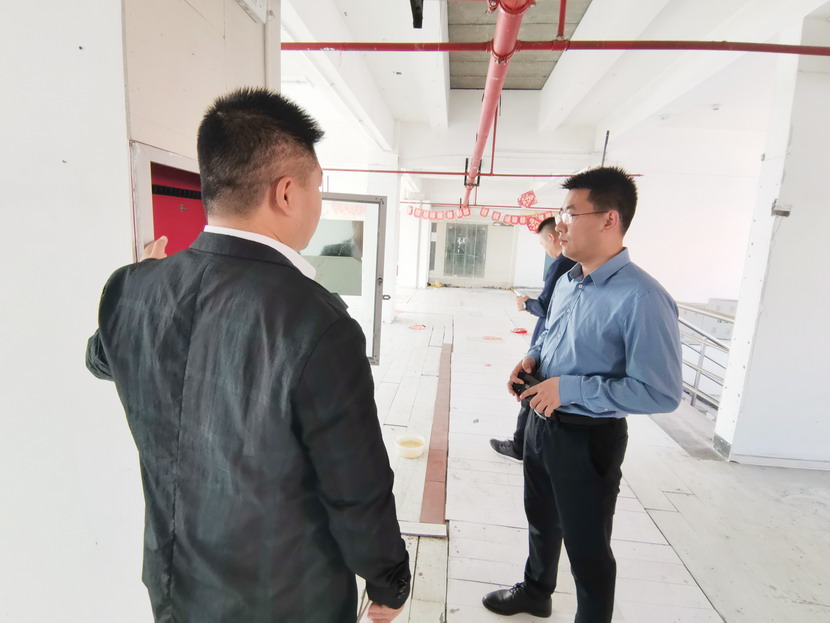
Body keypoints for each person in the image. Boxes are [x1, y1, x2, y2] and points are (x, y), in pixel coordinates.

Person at [86, 88, 410, 623]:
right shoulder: (318, 322)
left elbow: (102, 357)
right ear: (286, 193)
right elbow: (355, 484)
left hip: (173, 588)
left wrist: (147, 279)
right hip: (284, 601)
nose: (318, 202)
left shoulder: (132, 290)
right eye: (317, 187)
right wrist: (387, 578)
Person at [482, 167, 682, 622]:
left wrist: (569, 388)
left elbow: (660, 392)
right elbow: (552, 336)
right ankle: (536, 592)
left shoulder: (643, 298)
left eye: (571, 213)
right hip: (541, 424)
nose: (560, 224)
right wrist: (532, 359)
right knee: (541, 519)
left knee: (587, 547)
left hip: (587, 438)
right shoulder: (569, 279)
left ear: (610, 219)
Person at [490, 217, 576, 462]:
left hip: (549, 346)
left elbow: (547, 309)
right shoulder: (575, 268)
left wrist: (527, 303)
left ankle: (521, 446)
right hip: (548, 344)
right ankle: (530, 446)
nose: (545, 249)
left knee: (530, 393)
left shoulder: (562, 265)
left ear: (552, 237)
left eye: (542, 244)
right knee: (536, 393)